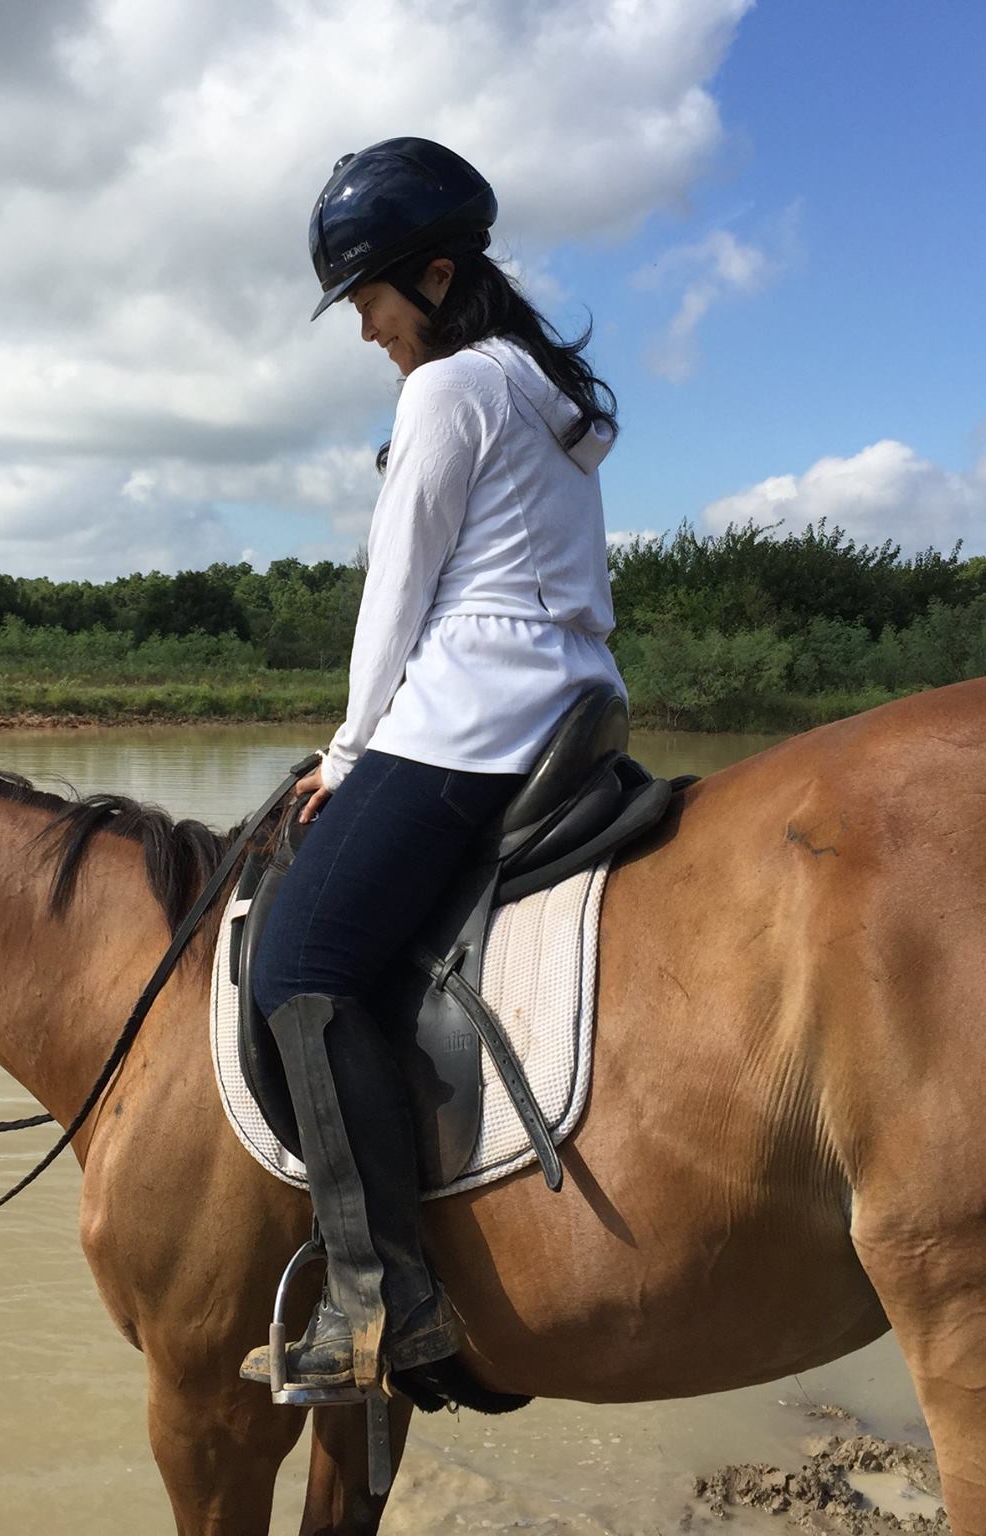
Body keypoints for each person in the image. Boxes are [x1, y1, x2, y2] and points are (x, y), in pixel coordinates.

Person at [242, 136, 628, 1396]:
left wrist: (345, 753)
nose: (365, 330)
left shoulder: (449, 386)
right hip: (573, 698)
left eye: (367, 299)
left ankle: (380, 1302)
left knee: (299, 963)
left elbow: (395, 588)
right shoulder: (534, 387)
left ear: (437, 275)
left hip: (470, 712)